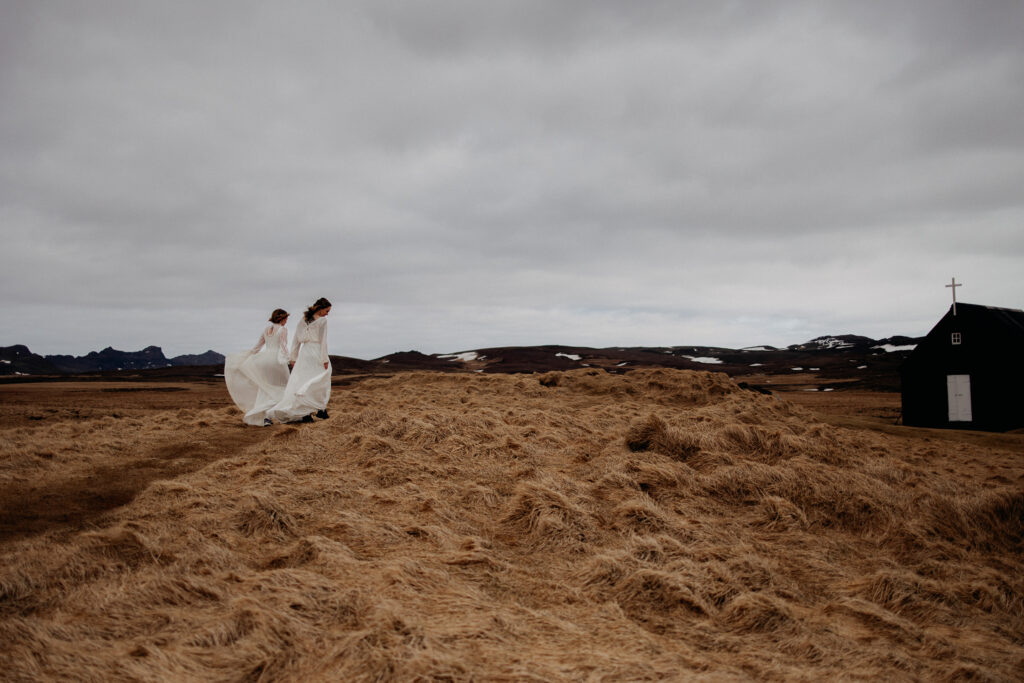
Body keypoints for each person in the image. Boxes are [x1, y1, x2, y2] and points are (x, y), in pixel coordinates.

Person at [267, 297, 332, 424]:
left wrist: (293, 357)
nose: (328, 313)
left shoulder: (304, 319)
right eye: (327, 310)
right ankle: (320, 409)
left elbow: (296, 340)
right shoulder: (323, 321)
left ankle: (309, 412)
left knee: (304, 380)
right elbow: (323, 341)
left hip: (305, 353)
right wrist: (324, 359)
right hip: (317, 352)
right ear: (321, 308)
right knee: (321, 380)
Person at [224, 309, 291, 426]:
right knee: (285, 387)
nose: (286, 321)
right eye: (286, 319)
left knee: (265, 388)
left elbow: (257, 347)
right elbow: (283, 346)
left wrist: (247, 355)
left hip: (264, 360)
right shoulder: (283, 329)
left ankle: (264, 417)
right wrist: (290, 359)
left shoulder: (266, 329)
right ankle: (276, 414)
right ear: (282, 318)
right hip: (276, 360)